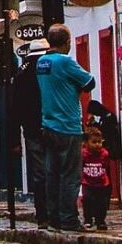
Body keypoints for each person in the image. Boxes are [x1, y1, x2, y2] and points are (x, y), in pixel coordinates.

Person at [36, 23, 96, 232]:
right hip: (68, 126)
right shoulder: (65, 61)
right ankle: (69, 219)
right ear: (67, 42)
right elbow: (89, 82)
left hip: (48, 125)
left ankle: (54, 219)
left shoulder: (41, 62)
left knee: (52, 174)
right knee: (70, 176)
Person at [11, 38, 50, 229]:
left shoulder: (21, 74)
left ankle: (43, 215)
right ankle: (57, 212)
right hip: (54, 127)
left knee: (39, 173)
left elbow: (14, 111)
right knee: (57, 170)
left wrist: (14, 141)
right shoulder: (51, 68)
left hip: (32, 131)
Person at [81, 128, 110, 231]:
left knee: (102, 203)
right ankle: (88, 219)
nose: (97, 144)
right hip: (87, 182)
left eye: (99, 142)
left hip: (101, 183)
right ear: (86, 143)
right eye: (94, 142)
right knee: (87, 200)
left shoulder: (104, 154)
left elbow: (106, 166)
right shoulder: (83, 154)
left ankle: (100, 220)